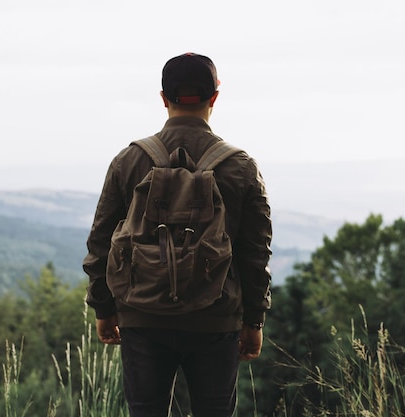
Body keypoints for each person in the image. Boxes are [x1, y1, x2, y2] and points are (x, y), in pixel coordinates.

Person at [83, 52, 272, 417]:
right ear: (214, 97)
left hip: (142, 316)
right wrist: (254, 320)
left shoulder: (130, 160)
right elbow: (255, 254)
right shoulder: (240, 166)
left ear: (163, 97)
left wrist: (104, 308)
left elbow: (101, 242)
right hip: (216, 318)